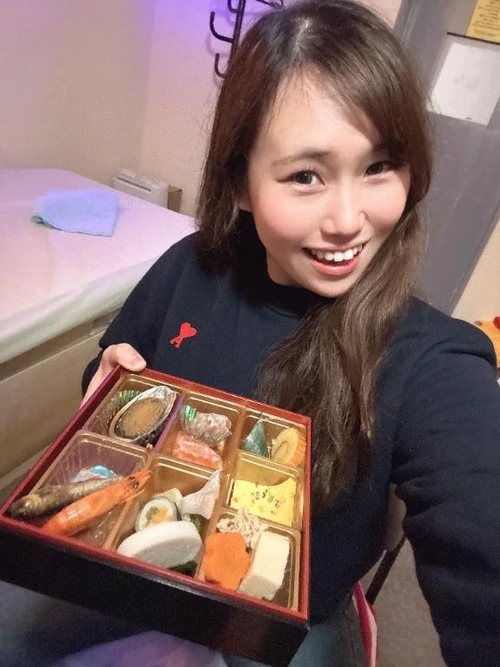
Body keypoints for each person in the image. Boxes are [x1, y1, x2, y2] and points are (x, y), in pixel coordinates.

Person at [2, 1, 499, 665]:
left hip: (290, 617)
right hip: (143, 568)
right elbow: (110, 367)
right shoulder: (188, 265)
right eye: (305, 175)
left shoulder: (431, 360)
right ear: (240, 182)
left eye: (379, 165)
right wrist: (102, 382)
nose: (348, 219)